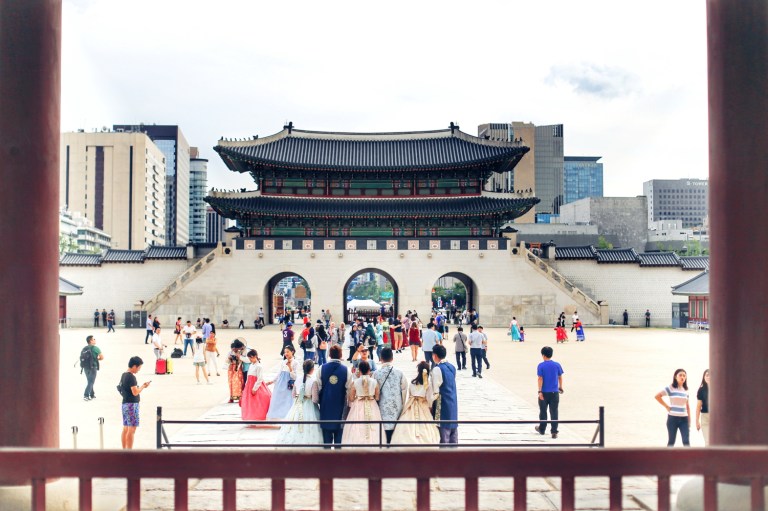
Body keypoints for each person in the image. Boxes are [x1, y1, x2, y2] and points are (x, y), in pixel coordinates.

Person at [391, 361, 440, 445]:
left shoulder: (412, 382)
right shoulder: (427, 384)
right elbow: (429, 399)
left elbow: (410, 395)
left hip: (411, 404)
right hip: (423, 404)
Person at [277, 359, 323, 445]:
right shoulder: (313, 382)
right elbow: (314, 399)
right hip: (310, 406)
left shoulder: (297, 379)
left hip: (298, 404)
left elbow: (293, 395)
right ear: (312, 369)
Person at [317, 345, 353, 447]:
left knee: (326, 438)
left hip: (325, 406)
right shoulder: (346, 370)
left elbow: (318, 387)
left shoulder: (321, 368)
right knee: (339, 437)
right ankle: (338, 460)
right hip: (340, 406)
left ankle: (327, 460)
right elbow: (350, 389)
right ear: (341, 355)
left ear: (329, 355)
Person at [342, 360, 383, 445]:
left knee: (357, 426)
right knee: (374, 426)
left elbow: (351, 398)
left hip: (358, 405)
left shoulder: (355, 382)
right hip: (372, 404)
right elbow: (377, 397)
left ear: (359, 370)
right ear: (369, 370)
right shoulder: (374, 382)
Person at [373, 347, 407, 444]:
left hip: (382, 408)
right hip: (396, 407)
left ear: (381, 358)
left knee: (383, 436)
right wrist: (402, 404)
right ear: (392, 358)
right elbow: (404, 391)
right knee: (395, 435)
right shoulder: (399, 373)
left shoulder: (376, 374)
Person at [119, 356, 150, 449]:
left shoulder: (124, 374)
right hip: (132, 405)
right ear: (134, 366)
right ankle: (129, 452)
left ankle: (124, 450)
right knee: (132, 429)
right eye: (139, 367)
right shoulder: (132, 377)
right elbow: (135, 392)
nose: (139, 370)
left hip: (125, 403)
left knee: (125, 428)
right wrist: (143, 386)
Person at [430, 345, 458, 445]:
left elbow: (435, 391)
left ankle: (444, 456)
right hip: (452, 401)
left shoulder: (437, 369)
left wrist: (430, 404)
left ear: (435, 355)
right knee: (453, 430)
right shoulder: (452, 367)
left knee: (443, 432)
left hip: (443, 403)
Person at [655, 368, 691, 446]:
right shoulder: (670, 388)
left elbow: (687, 406)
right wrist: (666, 406)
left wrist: (689, 420)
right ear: (675, 377)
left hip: (684, 419)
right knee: (671, 441)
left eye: (684, 376)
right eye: (680, 375)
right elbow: (657, 396)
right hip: (672, 419)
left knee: (686, 441)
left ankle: (689, 458)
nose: (682, 377)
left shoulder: (686, 390)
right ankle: (667, 458)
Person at [535, 346, 564, 439]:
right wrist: (560, 386)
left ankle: (542, 429)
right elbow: (560, 376)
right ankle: (554, 431)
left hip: (544, 392)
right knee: (554, 412)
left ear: (543, 355)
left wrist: (539, 391)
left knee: (543, 411)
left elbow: (540, 378)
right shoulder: (557, 365)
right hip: (554, 392)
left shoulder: (541, 365)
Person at [266, 345, 300, 420]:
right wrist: (272, 381)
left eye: (288, 352)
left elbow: (295, 377)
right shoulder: (283, 362)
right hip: (280, 383)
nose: (286, 354)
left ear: (292, 352)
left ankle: (288, 416)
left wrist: (290, 367)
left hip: (288, 384)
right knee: (277, 399)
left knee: (288, 400)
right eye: (285, 352)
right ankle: (277, 415)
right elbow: (279, 373)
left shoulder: (296, 363)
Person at [240, 349, 272, 421]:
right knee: (249, 402)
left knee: (259, 400)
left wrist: (255, 388)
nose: (250, 360)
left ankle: (259, 416)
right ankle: (250, 417)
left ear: (255, 356)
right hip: (249, 385)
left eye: (250, 358)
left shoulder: (259, 366)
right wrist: (246, 386)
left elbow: (260, 378)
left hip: (255, 385)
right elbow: (248, 377)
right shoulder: (251, 365)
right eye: (249, 358)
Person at [81, 335, 103, 401]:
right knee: (91, 382)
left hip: (85, 367)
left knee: (89, 381)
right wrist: (96, 359)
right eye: (94, 339)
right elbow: (102, 357)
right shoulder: (96, 348)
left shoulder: (84, 348)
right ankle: (86, 395)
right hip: (93, 367)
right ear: (90, 341)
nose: (95, 340)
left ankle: (92, 395)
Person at [696, 369, 710, 446]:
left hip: (717, 417)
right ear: (704, 377)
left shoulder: (719, 388)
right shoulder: (701, 390)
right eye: (707, 375)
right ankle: (708, 457)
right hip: (705, 417)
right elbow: (698, 407)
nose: (709, 377)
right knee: (708, 441)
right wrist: (697, 421)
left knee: (717, 441)